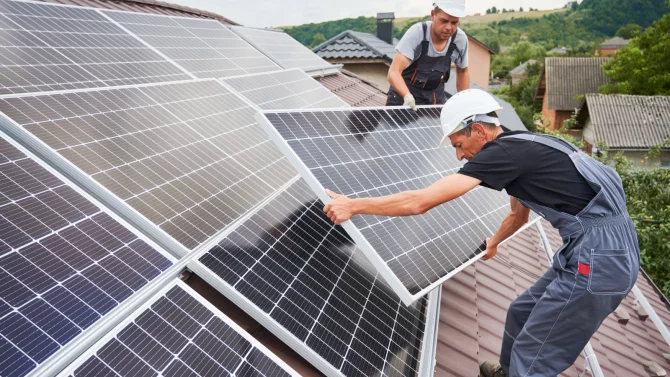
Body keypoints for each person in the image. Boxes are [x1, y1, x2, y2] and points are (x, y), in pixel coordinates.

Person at [323, 89, 640, 377]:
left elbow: (421, 201)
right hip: (597, 249)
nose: (459, 156)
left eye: (458, 145)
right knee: (520, 312)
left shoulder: (504, 154)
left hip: (600, 259)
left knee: (535, 354)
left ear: (477, 130)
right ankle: (508, 372)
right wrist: (495, 242)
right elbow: (518, 214)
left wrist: (354, 205)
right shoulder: (522, 147)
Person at [386, 0, 470, 109]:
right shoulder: (417, 33)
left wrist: (465, 103)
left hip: (434, 97)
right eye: (444, 21)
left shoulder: (459, 40)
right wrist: (407, 96)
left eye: (454, 23)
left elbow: (463, 71)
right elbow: (393, 72)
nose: (449, 27)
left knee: (434, 126)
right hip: (404, 95)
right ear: (433, 15)